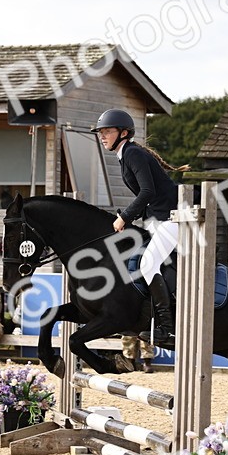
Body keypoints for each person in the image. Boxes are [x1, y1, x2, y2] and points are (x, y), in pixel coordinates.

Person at [95, 108, 184, 348]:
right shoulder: (126, 155)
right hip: (159, 218)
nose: (102, 136)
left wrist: (125, 217)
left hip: (172, 218)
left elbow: (148, 192)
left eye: (107, 132)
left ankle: (167, 328)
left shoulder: (132, 154)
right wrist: (129, 217)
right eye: (100, 132)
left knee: (147, 263)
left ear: (123, 133)